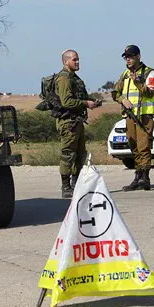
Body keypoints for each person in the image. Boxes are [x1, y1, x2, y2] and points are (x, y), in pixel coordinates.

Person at [112, 45, 154, 191]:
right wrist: (123, 100)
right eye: (126, 57)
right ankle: (137, 177)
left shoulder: (149, 72)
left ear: (138, 56)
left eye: (131, 57)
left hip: (144, 116)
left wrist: (137, 81)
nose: (128, 59)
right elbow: (115, 93)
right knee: (133, 145)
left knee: (144, 146)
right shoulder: (125, 74)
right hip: (130, 116)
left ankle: (145, 177)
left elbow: (150, 93)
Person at [55, 50, 98, 198]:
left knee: (80, 154)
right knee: (68, 154)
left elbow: (80, 96)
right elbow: (66, 102)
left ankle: (76, 185)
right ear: (65, 62)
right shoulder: (64, 78)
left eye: (78, 59)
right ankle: (66, 187)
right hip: (68, 122)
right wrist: (86, 103)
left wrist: (92, 101)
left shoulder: (74, 78)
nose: (77, 62)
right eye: (74, 60)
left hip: (77, 121)